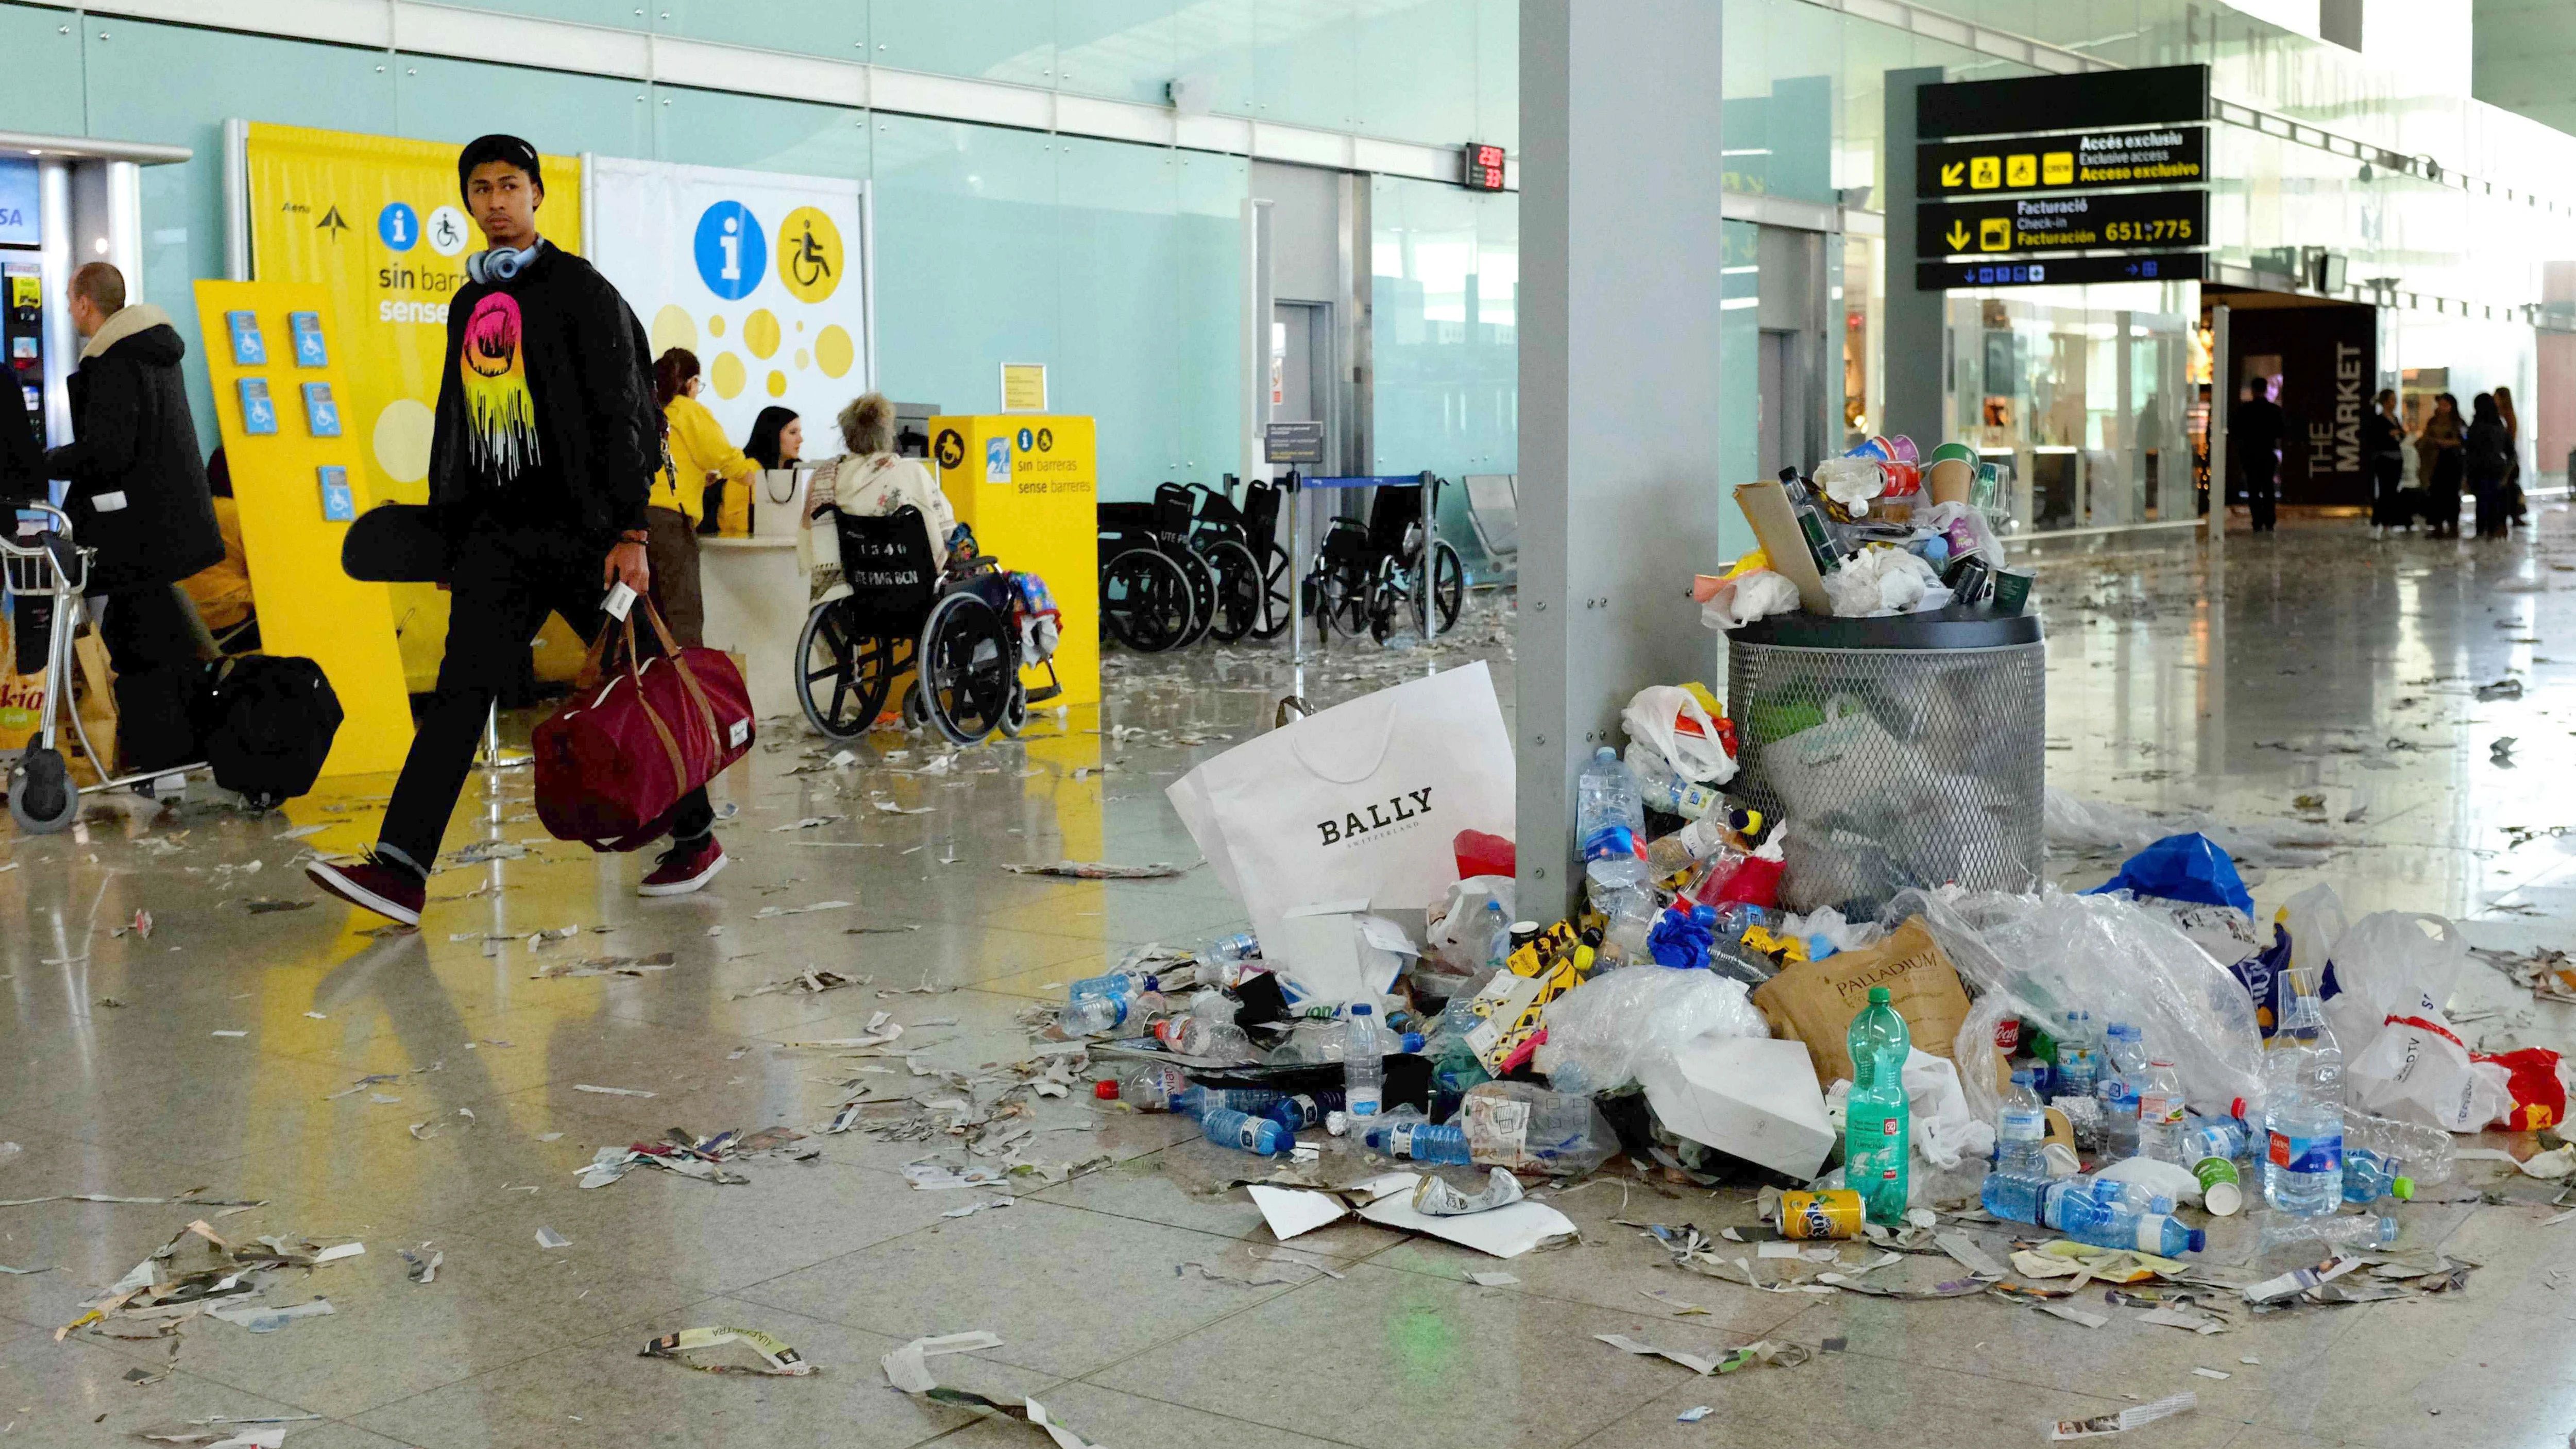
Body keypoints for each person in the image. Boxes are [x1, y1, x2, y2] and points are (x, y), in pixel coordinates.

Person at [307, 133, 725, 927]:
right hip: (498, 541)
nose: (496, 202)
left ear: (538, 196)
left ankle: (697, 834)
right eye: (481, 189)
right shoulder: (471, 303)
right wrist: (451, 535)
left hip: (587, 539)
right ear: (468, 202)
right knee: (462, 696)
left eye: (510, 186)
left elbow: (627, 417)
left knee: (632, 683)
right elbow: (460, 423)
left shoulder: (583, 292)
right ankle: (401, 872)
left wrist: (632, 533)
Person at [42, 262, 224, 781]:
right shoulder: (156, 352)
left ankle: (161, 762)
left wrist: (49, 460)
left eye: (71, 300)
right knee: (163, 641)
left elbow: (110, 451)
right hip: (169, 527)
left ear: (83, 303)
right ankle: (178, 757)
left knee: (138, 645)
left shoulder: (113, 361)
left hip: (134, 534)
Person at [648, 348, 756, 645]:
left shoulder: (653, 409)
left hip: (639, 521)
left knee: (652, 617)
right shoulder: (688, 410)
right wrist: (749, 472)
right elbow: (723, 456)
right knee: (683, 615)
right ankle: (689, 687)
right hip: (671, 523)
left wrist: (699, 478)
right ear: (692, 382)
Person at [804, 393, 957, 575]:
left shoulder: (826, 478)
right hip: (912, 585)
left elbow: (807, 537)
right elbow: (947, 534)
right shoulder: (912, 473)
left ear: (847, 435)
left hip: (856, 585)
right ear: (888, 433)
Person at [182, 446, 257, 650]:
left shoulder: (194, 506)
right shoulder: (240, 517)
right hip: (224, 618)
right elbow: (268, 580)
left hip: (182, 614)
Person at [713, 404, 802, 536]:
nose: (801, 439)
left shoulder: (795, 471)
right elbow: (736, 522)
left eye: (800, 433)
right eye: (793, 433)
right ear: (772, 434)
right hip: (741, 551)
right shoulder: (746, 469)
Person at [2229, 377, 2286, 533]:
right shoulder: (2274, 410)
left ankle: (2257, 521)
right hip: (2268, 453)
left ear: (2253, 391)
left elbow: (2235, 432)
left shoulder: (2244, 410)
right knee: (2268, 488)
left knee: (2253, 489)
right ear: (2266, 389)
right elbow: (2281, 431)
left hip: (2250, 454)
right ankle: (2269, 521)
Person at [2417, 393, 2466, 538]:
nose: (2442, 408)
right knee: (2436, 495)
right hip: (2435, 463)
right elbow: (2426, 439)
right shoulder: (2433, 421)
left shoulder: (2458, 422)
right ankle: (2437, 526)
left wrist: (2448, 443)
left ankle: (2453, 526)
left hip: (2453, 463)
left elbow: (2464, 440)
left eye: (2445, 405)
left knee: (2451, 495)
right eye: (2441, 404)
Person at [2466, 391, 2514, 539]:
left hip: (2479, 469)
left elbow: (2470, 449)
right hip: (2496, 468)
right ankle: (2493, 529)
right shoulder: (2499, 425)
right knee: (2494, 501)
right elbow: (2510, 450)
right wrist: (2507, 470)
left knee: (2482, 502)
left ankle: (2481, 530)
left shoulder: (2476, 427)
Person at [2361, 389, 2408, 535]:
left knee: (2392, 491)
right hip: (2384, 459)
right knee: (2385, 491)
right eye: (2393, 400)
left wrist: (2400, 434)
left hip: (2396, 458)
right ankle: (2377, 521)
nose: (2395, 403)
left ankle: (2388, 521)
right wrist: (2389, 435)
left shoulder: (2395, 418)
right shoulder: (2378, 420)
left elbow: (2401, 436)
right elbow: (2374, 438)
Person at [2495, 383, 2527, 526]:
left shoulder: (2507, 416)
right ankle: (2514, 515)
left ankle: (2514, 514)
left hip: (2508, 459)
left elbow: (2510, 438)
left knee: (2510, 488)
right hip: (2508, 457)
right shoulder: (2502, 416)